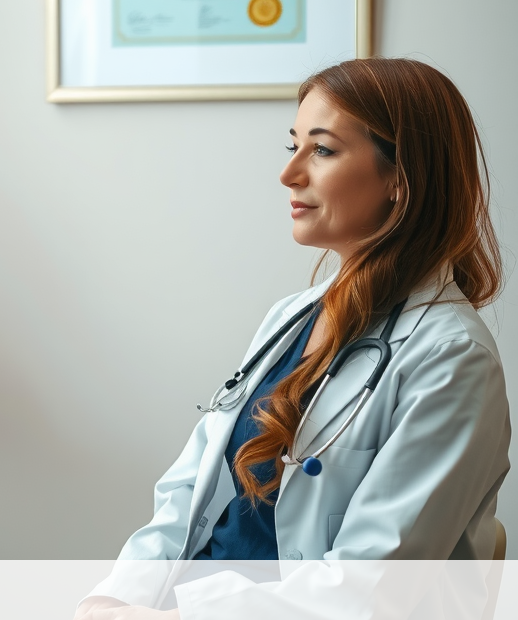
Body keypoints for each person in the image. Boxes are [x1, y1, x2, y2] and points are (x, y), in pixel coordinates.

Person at [77, 58, 510, 618]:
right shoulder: (294, 315)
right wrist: (117, 594)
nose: (290, 174)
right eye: (294, 146)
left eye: (323, 150)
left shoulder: (452, 359)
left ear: (401, 179)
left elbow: (369, 588)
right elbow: (188, 491)